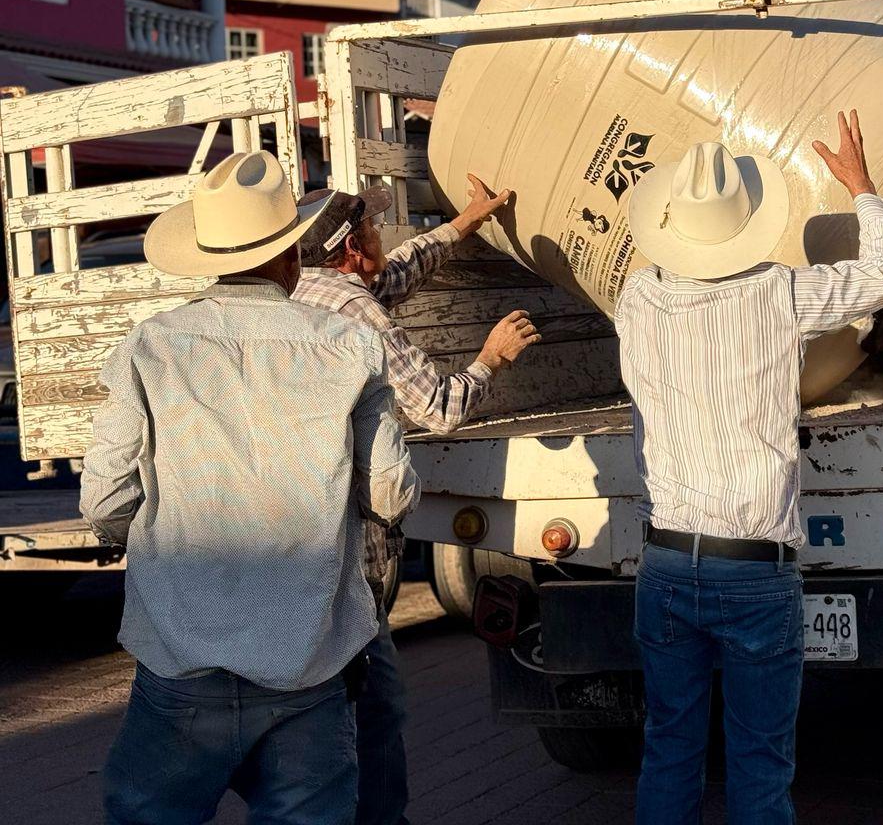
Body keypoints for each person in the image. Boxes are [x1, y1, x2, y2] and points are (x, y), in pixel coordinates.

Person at [81, 150, 418, 825]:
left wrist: (143, 539)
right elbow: (390, 490)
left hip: (181, 662)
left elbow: (104, 501)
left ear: (209, 257)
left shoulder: (151, 346)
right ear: (292, 253)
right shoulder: (347, 346)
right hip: (309, 662)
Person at [616, 112, 883, 824]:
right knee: (758, 761)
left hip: (664, 562)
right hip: (753, 569)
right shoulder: (778, 293)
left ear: (671, 224)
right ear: (745, 222)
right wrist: (862, 187)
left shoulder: (637, 299)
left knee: (670, 748)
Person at [292, 173, 540, 825]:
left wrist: (465, 224)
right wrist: (492, 358)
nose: (383, 235)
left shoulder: (301, 292)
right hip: (351, 548)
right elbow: (437, 407)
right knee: (373, 706)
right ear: (350, 248)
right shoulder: (358, 314)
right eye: (373, 227)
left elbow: (395, 272)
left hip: (298, 538)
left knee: (338, 703)